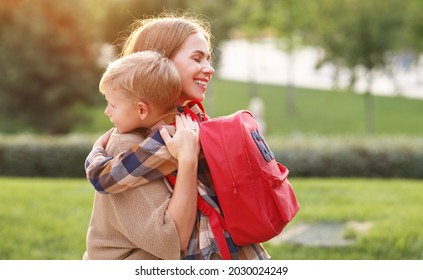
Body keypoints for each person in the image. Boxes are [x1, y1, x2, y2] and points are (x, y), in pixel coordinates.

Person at [84, 12, 270, 260]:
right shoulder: (132, 141)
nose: (210, 68)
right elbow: (173, 238)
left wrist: (95, 155)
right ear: (159, 63)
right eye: (197, 58)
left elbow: (103, 176)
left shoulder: (186, 124)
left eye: (208, 58)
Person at [84, 50, 200, 260]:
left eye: (112, 105)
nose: (107, 112)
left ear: (141, 110)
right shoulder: (191, 120)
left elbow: (104, 178)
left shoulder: (165, 140)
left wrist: (95, 152)